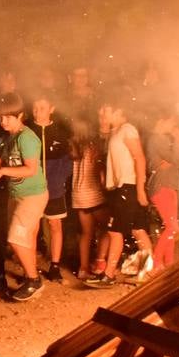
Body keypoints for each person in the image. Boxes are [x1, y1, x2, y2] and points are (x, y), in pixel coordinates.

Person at [0, 93, 48, 302]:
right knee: (27, 238)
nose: (3, 121)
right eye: (0, 117)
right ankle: (32, 277)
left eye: (8, 117)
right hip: (16, 195)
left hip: (33, 195)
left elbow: (30, 169)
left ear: (20, 115)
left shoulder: (26, 138)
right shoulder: (5, 139)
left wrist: (2, 173)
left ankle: (33, 280)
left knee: (16, 239)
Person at [86, 102, 152, 289]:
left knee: (115, 231)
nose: (102, 113)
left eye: (106, 110)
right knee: (138, 229)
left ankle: (108, 275)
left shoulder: (127, 129)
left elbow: (139, 158)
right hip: (122, 187)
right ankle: (146, 272)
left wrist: (140, 188)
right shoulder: (115, 133)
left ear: (119, 111)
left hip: (128, 187)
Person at [29, 95, 72, 283]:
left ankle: (54, 266)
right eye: (35, 107)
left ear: (51, 109)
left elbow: (67, 161)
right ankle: (29, 269)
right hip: (33, 189)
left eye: (42, 107)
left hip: (54, 190)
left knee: (55, 225)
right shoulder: (27, 131)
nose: (38, 111)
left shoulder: (60, 132)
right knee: (32, 228)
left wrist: (59, 179)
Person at [145, 111, 179, 271]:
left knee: (171, 226)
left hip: (168, 185)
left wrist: (173, 160)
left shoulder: (159, 139)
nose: (173, 126)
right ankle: (156, 263)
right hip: (162, 186)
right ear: (161, 120)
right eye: (171, 122)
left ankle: (168, 262)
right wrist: (177, 141)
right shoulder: (157, 139)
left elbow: (176, 161)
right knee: (171, 227)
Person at [69, 117, 109, 282]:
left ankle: (83, 269)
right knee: (108, 229)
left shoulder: (72, 147)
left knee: (86, 233)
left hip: (78, 195)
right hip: (93, 194)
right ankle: (100, 262)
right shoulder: (93, 148)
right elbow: (100, 172)